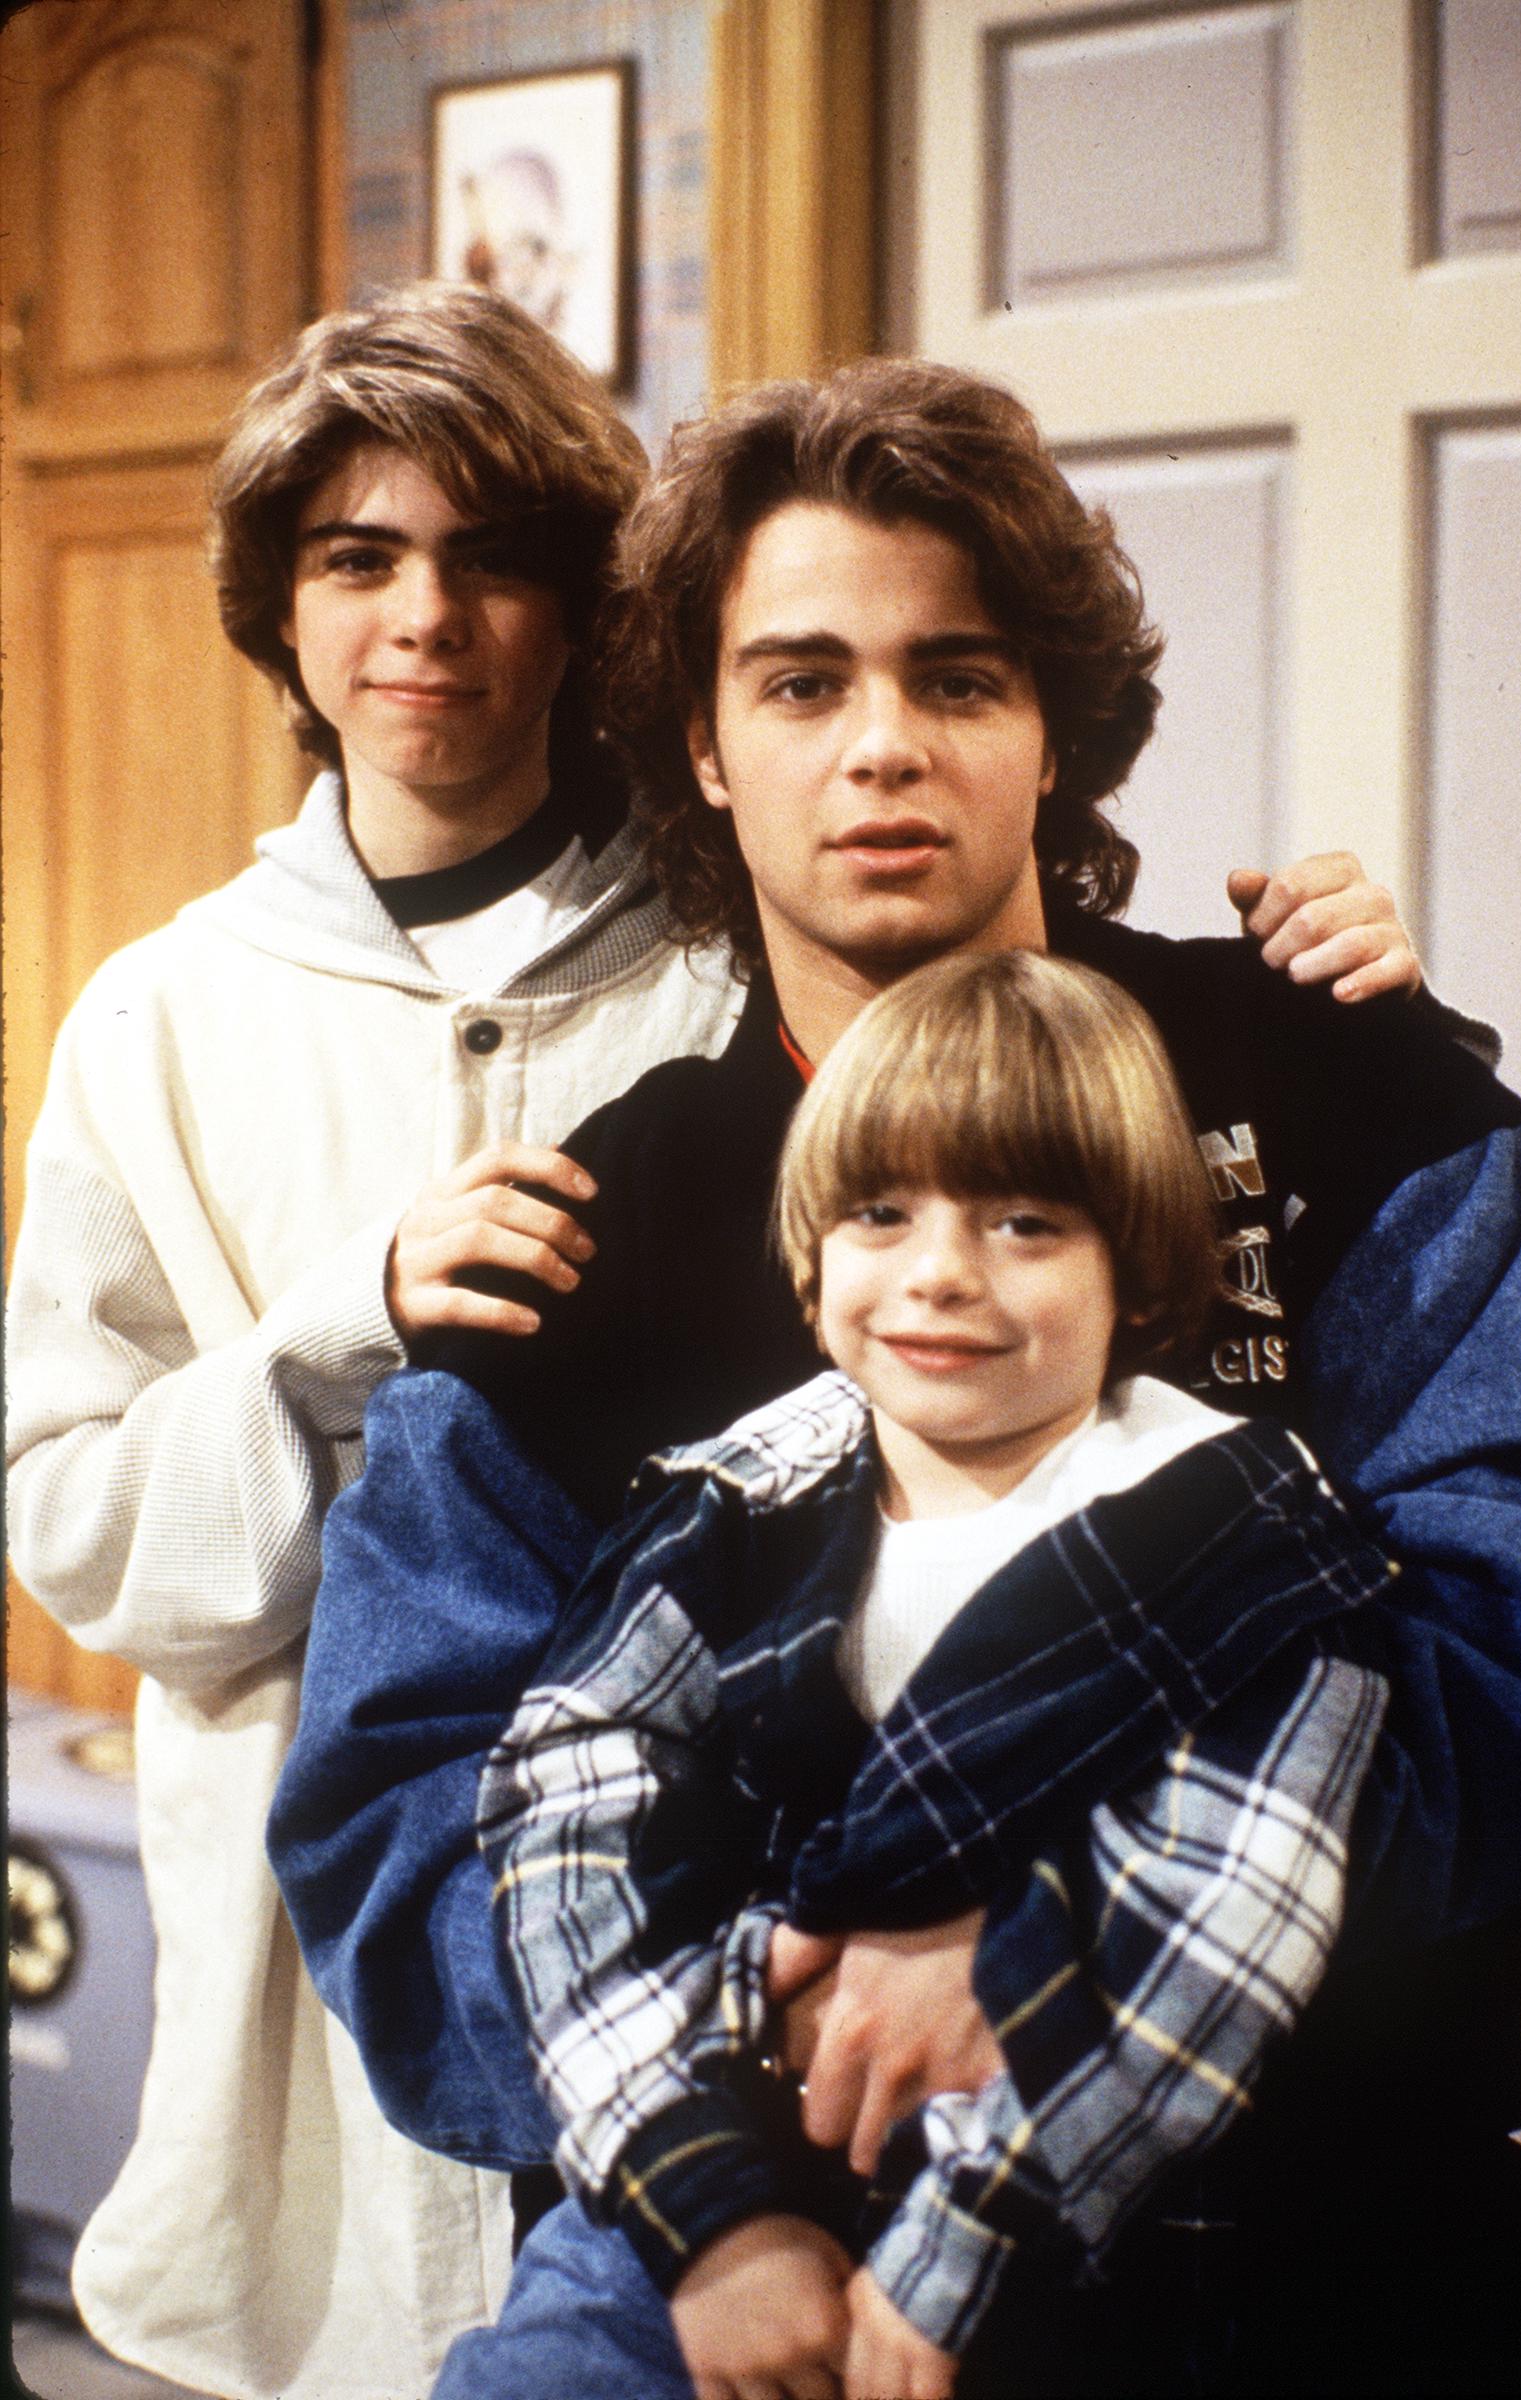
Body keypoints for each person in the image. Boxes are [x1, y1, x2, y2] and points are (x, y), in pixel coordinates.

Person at [270, 358, 1521, 2389]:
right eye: (800, 683)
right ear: (700, 751)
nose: (881, 747)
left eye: (957, 677)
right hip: (746, 2242)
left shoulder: (1346, 1084)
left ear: (1053, 727)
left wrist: (1048, 1961)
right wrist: (753, 2057)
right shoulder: (571, 1247)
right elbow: (398, 1820)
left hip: (1313, 2190)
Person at [1, 282, 744, 2400]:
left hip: (684, 1929)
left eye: (490, 554)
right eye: (358, 557)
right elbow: (71, 1525)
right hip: (303, 2004)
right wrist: (336, 1335)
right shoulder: (161, 1016)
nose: (424, 617)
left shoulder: (712, 964)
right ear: (283, 610)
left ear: (582, 602)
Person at [448, 949, 1398, 2400]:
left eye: (1024, 1222)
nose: (940, 1273)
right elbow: (569, 1803)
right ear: (811, 1253)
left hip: (1062, 2212)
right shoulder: (730, 1498)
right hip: (706, 2150)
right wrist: (708, 2213)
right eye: (879, 1214)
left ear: (1135, 1273)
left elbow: (1213, 1929)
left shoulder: (1240, 1534)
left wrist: (958, 2251)